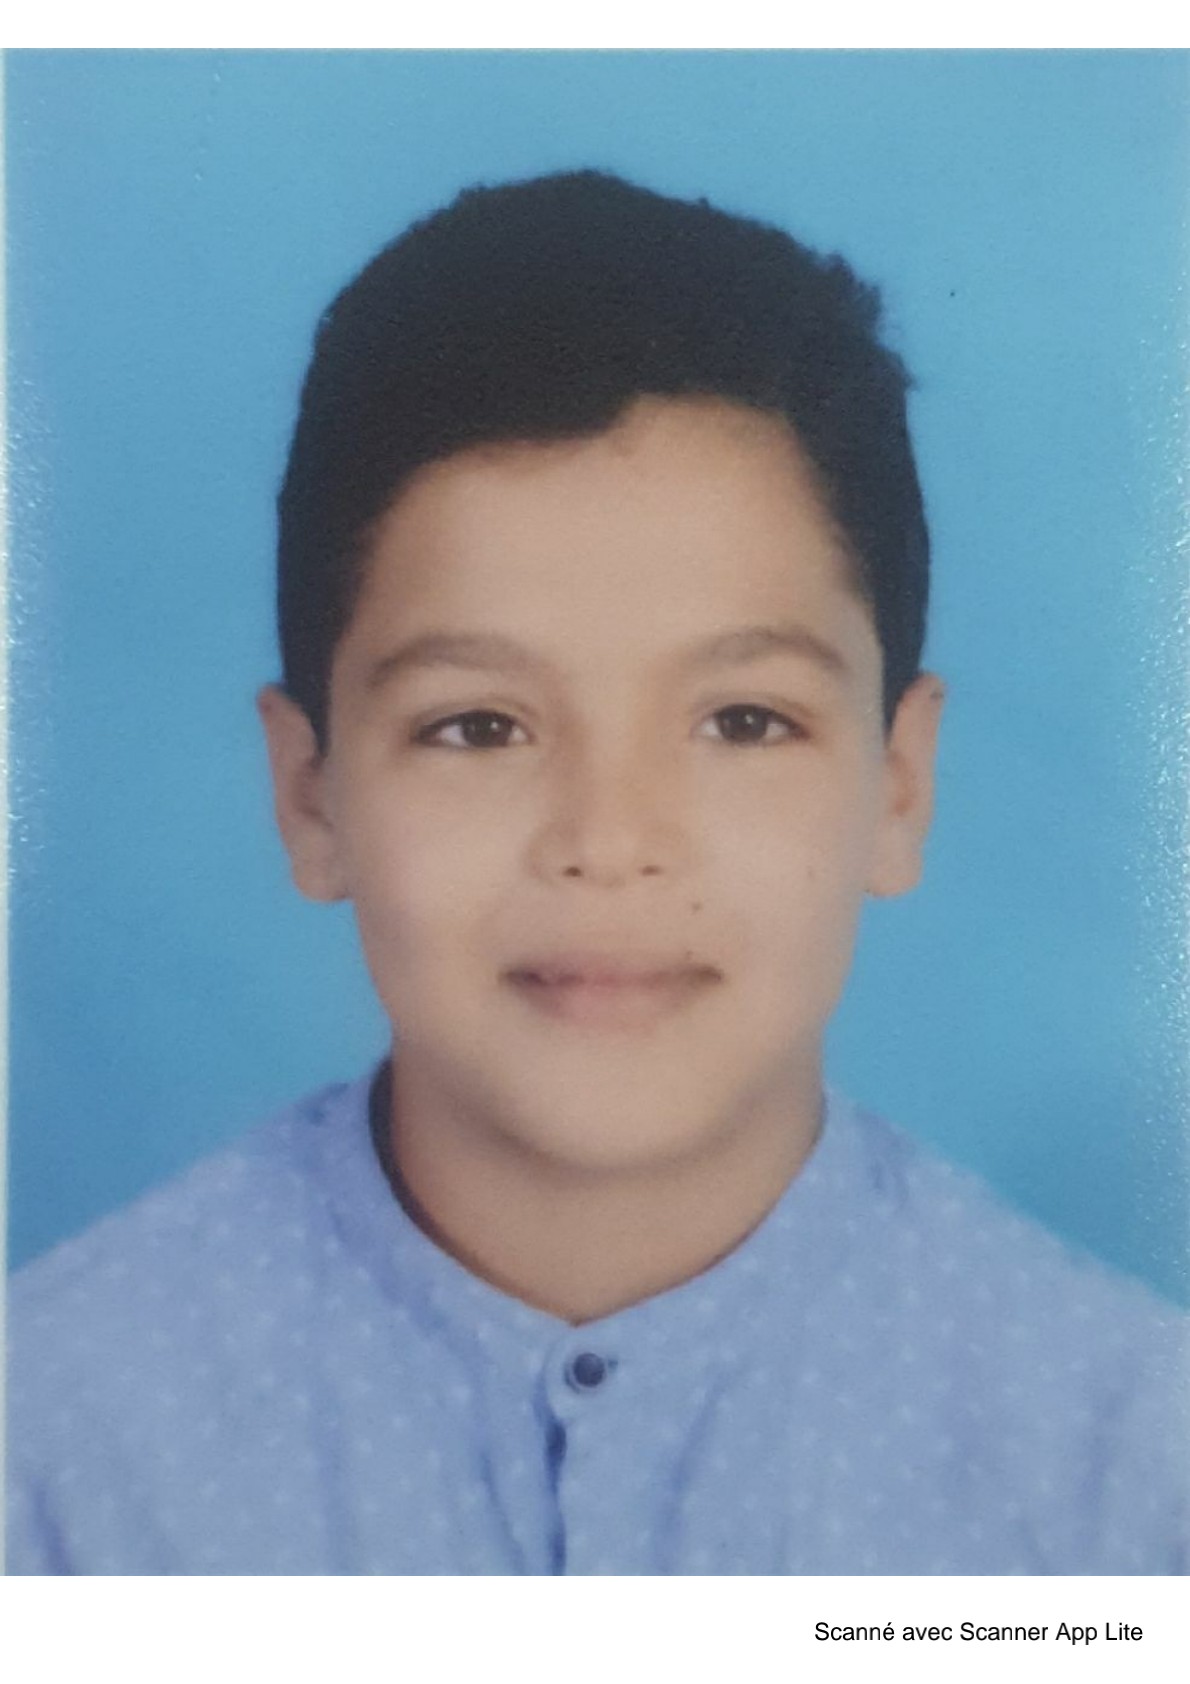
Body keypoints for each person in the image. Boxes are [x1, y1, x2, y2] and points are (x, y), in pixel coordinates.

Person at [6, 170, 1185, 1575]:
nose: (611, 840)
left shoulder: (1127, 1475)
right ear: (309, 793)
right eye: (478, 726)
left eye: (743, 721)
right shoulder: (55, 1450)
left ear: (898, 784)